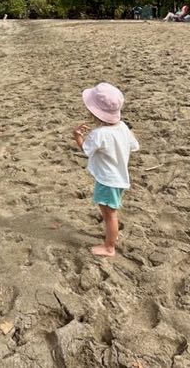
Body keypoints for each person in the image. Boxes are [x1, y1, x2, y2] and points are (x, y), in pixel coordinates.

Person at [72, 82, 140, 257]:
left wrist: (77, 136)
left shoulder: (99, 134)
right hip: (119, 177)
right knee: (111, 212)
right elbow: (134, 145)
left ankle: (109, 247)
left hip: (107, 180)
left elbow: (86, 150)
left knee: (109, 214)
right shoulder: (123, 127)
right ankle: (112, 236)